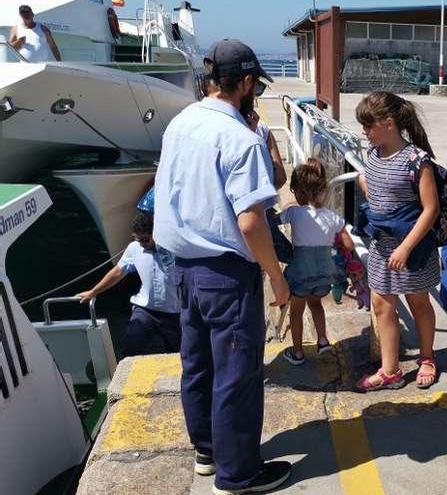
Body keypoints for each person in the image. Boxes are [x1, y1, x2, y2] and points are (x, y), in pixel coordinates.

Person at [153, 40, 291, 494]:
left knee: (197, 366)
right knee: (237, 375)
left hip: (183, 271)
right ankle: (239, 475)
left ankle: (208, 453)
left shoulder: (179, 123)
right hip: (226, 276)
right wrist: (276, 276)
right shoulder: (240, 139)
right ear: (247, 83)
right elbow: (251, 222)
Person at [354, 91, 441, 391]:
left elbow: (431, 209)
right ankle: (389, 369)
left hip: (412, 247)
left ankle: (427, 357)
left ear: (389, 123)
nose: (364, 132)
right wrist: (366, 183)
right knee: (381, 304)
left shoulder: (417, 161)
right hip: (382, 244)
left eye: (368, 126)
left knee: (418, 301)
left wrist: (406, 247)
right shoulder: (373, 155)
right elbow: (377, 190)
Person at [279, 158, 355, 366]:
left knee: (296, 311)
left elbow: (276, 219)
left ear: (299, 193)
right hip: (324, 272)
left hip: (301, 273)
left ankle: (298, 352)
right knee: (316, 304)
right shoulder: (332, 216)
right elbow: (348, 244)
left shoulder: (294, 212)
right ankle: (322, 341)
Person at [76, 212, 180, 357]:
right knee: (131, 345)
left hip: (175, 312)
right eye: (138, 240)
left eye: (145, 240)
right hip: (145, 309)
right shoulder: (134, 248)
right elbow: (118, 272)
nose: (142, 244)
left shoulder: (175, 248)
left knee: (177, 352)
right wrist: (94, 291)